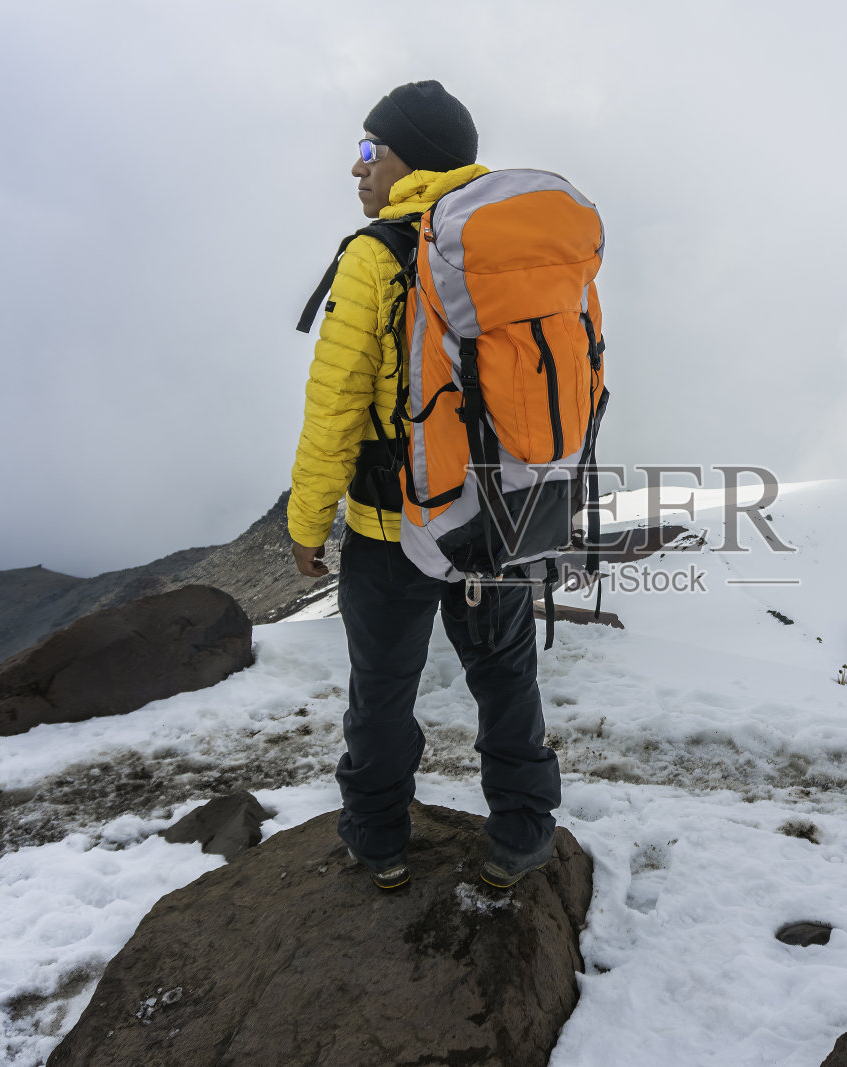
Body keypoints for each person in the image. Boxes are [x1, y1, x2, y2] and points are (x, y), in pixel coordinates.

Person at [287, 81, 560, 891]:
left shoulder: (376, 255)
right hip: (496, 516)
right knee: (507, 678)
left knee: (382, 691)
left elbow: (334, 406)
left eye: (369, 150)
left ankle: (379, 840)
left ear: (410, 158)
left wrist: (310, 522)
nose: (356, 168)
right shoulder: (508, 247)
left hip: (389, 524)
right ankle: (522, 833)